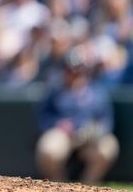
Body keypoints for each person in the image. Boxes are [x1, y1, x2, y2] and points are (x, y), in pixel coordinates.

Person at [35, 49, 119, 184]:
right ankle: (59, 186)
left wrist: (97, 130)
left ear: (85, 70)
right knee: (48, 151)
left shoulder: (97, 92)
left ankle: (87, 185)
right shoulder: (55, 90)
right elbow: (42, 117)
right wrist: (56, 124)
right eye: (70, 69)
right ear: (64, 70)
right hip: (64, 136)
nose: (74, 73)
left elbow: (107, 120)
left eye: (79, 69)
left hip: (89, 138)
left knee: (108, 147)